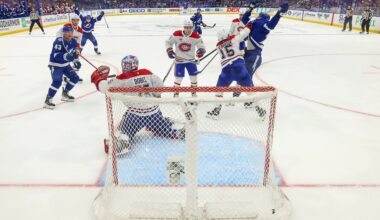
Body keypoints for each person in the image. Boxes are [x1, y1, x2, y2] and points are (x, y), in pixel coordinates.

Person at [90, 55, 186, 155]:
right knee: (162, 124)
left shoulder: (122, 79)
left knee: (123, 133)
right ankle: (174, 129)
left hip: (135, 116)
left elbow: (105, 88)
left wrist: (99, 79)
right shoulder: (147, 73)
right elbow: (160, 86)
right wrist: (155, 94)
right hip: (154, 112)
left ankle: (120, 143)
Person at [232, 2, 288, 100]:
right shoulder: (254, 23)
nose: (256, 15)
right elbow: (245, 19)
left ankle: (252, 101)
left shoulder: (261, 23)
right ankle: (237, 97)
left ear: (261, 17)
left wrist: (279, 13)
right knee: (243, 76)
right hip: (248, 54)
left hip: (254, 56)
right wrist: (250, 9)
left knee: (246, 78)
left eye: (258, 15)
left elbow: (271, 26)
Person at [206, 29, 266, 120]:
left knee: (219, 92)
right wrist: (248, 27)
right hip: (239, 70)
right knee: (251, 92)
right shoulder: (235, 39)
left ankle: (216, 112)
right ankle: (260, 111)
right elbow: (242, 48)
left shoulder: (218, 46)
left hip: (226, 72)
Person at [165, 20, 206, 97]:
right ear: (184, 27)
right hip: (179, 61)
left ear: (192, 27)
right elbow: (168, 42)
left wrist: (201, 51)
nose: (188, 29)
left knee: (193, 78)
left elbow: (202, 46)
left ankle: (194, 92)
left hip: (191, 61)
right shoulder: (176, 34)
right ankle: (176, 93)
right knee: (178, 78)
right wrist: (169, 50)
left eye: (190, 27)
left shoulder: (196, 36)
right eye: (186, 27)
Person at [44, 26, 81, 109]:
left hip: (65, 64)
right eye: (67, 32)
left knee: (75, 78)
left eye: (71, 32)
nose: (70, 34)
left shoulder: (73, 40)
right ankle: (48, 100)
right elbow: (56, 55)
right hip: (56, 64)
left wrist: (76, 59)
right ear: (63, 33)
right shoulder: (59, 41)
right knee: (57, 82)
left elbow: (75, 50)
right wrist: (66, 56)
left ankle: (65, 94)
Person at [56, 14, 84, 83]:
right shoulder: (66, 26)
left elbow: (78, 41)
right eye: (73, 20)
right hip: (64, 46)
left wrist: (77, 49)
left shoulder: (80, 30)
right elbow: (58, 33)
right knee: (65, 61)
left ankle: (75, 76)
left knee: (76, 61)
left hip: (73, 47)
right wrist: (60, 42)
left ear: (78, 21)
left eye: (76, 20)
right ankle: (66, 76)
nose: (75, 22)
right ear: (71, 21)